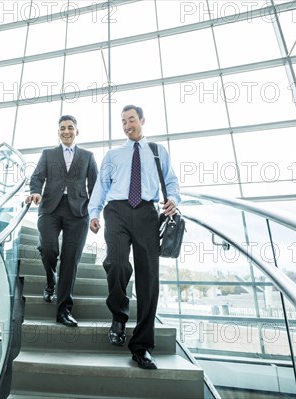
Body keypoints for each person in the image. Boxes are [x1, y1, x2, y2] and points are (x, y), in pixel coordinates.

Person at [88, 105, 180, 369]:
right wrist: (94, 213)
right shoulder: (113, 155)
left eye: (131, 120)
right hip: (116, 211)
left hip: (147, 214)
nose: (127, 125)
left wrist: (172, 199)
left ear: (142, 120)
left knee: (148, 278)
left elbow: (172, 183)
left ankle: (141, 346)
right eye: (123, 122)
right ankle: (119, 316)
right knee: (116, 262)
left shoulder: (158, 152)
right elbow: (101, 187)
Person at [25, 115, 98, 327]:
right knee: (48, 249)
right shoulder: (48, 154)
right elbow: (37, 177)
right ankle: (50, 281)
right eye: (62, 128)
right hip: (50, 208)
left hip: (78, 212)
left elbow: (95, 188)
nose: (66, 131)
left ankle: (64, 310)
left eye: (70, 128)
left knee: (70, 260)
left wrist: (94, 214)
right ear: (58, 132)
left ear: (77, 131)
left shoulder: (87, 156)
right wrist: (36, 192)